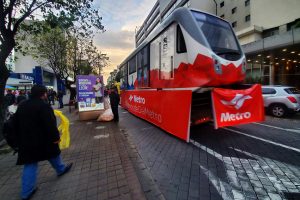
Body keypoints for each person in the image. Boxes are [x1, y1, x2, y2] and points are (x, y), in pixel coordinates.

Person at [14, 85, 72, 200]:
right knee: (53, 154)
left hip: (27, 142)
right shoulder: (44, 106)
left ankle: (26, 192)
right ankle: (61, 169)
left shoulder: (22, 106)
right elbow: (50, 125)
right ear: (43, 94)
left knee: (30, 164)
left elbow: (15, 123)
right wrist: (56, 138)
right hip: (44, 140)